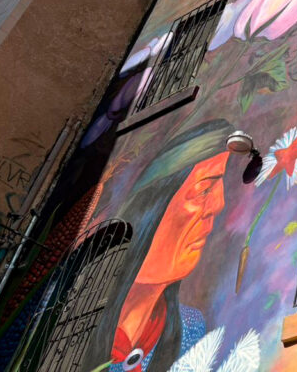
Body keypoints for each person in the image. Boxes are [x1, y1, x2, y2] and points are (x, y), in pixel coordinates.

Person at [81, 119, 237, 372]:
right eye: (205, 189)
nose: (218, 205)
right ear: (153, 204)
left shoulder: (189, 329)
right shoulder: (74, 310)